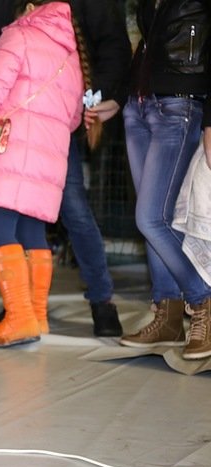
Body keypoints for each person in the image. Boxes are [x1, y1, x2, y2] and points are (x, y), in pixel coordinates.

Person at [0, 0, 130, 336]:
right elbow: (75, 114)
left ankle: (25, 315)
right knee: (34, 229)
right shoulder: (70, 53)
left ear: (28, 9)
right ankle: (34, 314)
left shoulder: (18, 36)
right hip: (51, 151)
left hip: (11, 148)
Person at [114, 0, 211, 360]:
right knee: (154, 219)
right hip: (139, 105)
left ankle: (203, 300)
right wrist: (117, 97)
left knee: (152, 218)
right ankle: (168, 314)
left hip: (180, 105)